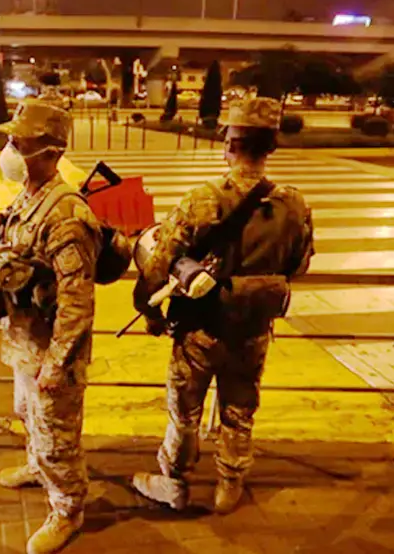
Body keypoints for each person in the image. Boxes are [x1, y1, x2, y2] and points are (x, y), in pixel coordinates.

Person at [130, 97, 314, 514]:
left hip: (200, 330)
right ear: (271, 147)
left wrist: (151, 311)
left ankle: (173, 481)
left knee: (184, 413)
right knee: (239, 409)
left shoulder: (202, 199)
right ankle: (229, 484)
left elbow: (158, 266)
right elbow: (299, 264)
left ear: (228, 144)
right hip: (252, 330)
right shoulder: (294, 204)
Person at [0, 99, 102, 554]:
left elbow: (77, 301)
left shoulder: (66, 213)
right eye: (11, 138)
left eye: (22, 142)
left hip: (53, 347)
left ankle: (68, 508)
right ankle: (38, 467)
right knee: (26, 414)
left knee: (57, 436)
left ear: (52, 152)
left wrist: (56, 364)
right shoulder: (27, 196)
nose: (11, 147)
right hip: (24, 338)